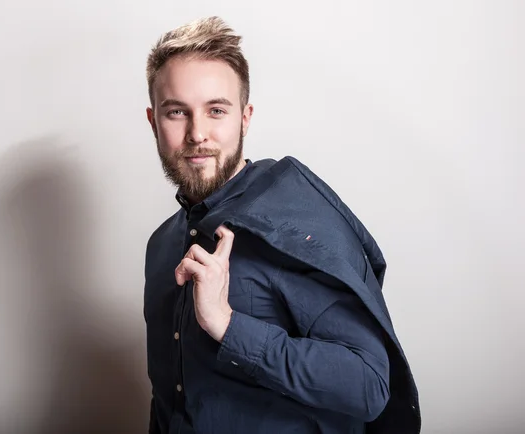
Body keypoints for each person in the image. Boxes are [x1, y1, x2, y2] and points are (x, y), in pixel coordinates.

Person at [143, 16, 420, 434]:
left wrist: (227, 324)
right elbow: (170, 398)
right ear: (153, 121)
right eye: (177, 112)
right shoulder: (161, 244)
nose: (197, 133)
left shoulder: (298, 223)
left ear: (245, 117)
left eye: (216, 110)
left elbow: (369, 387)